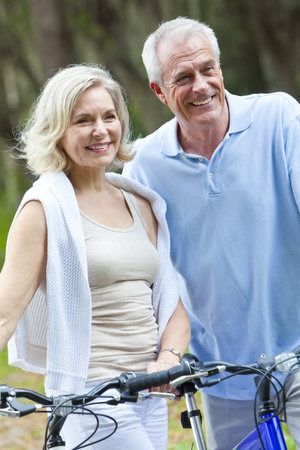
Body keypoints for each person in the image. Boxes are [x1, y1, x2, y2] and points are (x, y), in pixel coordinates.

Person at [123, 17, 300, 449]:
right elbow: (143, 273)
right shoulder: (144, 166)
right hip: (221, 374)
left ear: (221, 70)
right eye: (183, 77)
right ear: (160, 92)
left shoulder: (279, 117)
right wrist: (163, 350)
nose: (201, 85)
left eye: (208, 69)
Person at [0, 63, 190, 450]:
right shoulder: (44, 208)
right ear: (58, 131)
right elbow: (5, 313)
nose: (101, 130)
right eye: (82, 120)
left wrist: (168, 358)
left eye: (109, 116)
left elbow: (170, 301)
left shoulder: (141, 203)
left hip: (149, 394)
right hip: (92, 397)